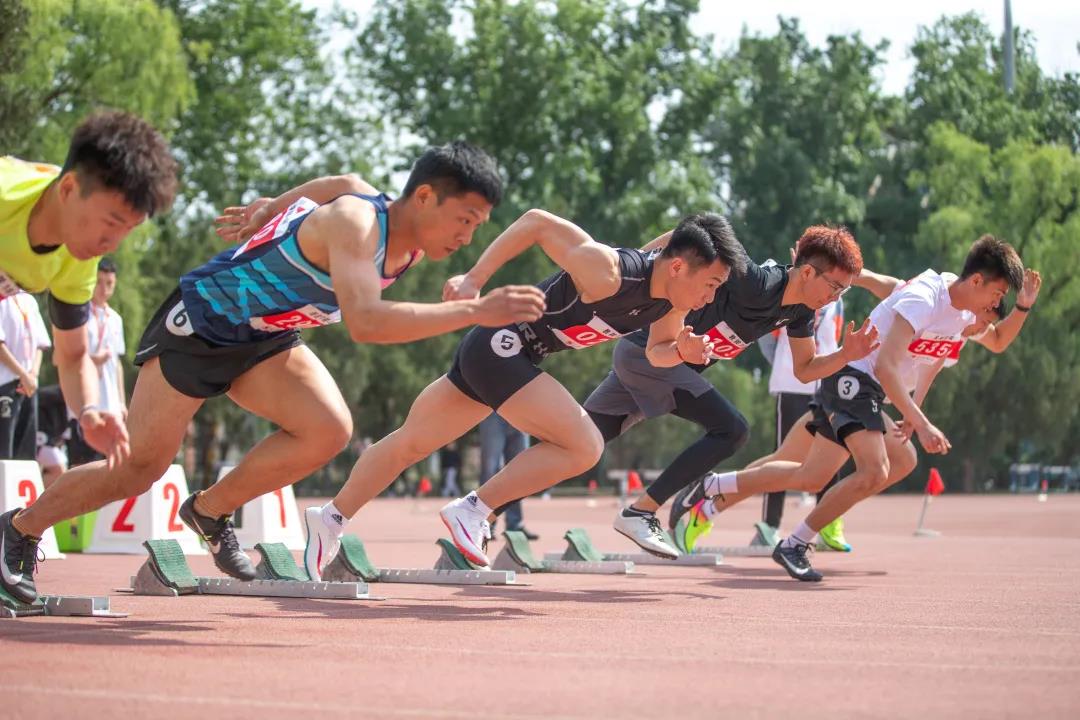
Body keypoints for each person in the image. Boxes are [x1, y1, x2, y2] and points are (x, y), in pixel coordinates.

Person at [0, 141, 546, 604]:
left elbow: (337, 179)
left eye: (478, 226)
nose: (467, 238)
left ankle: (209, 511)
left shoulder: (404, 242)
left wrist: (273, 210)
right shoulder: (359, 224)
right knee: (140, 468)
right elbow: (367, 323)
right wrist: (475, 312)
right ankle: (20, 528)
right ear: (424, 196)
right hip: (202, 326)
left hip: (264, 339)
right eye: (465, 220)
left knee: (328, 430)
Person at [303, 212, 743, 577]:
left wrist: (683, 351)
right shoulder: (607, 270)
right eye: (711, 283)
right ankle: (475, 509)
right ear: (679, 266)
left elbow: (658, 353)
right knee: (584, 445)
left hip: (505, 355)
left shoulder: (673, 304)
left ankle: (330, 518)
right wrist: (474, 279)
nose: (711, 297)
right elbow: (535, 223)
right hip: (502, 345)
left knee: (409, 443)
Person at [683, 236, 1027, 581]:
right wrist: (920, 423)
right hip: (854, 379)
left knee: (816, 475)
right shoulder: (925, 297)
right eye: (997, 296)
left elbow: (940, 361)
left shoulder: (965, 315)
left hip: (872, 393)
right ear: (977, 281)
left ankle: (717, 485)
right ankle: (797, 542)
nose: (995, 308)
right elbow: (886, 367)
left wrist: (1022, 307)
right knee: (874, 470)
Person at [585, 226, 877, 558]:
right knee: (732, 429)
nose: (837, 297)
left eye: (845, 291)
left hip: (660, 367)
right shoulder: (753, 281)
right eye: (835, 286)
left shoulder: (800, 312)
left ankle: (511, 506)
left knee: (578, 442)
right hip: (647, 358)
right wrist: (630, 273)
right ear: (807, 272)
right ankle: (640, 511)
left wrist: (844, 356)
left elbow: (805, 368)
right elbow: (700, 224)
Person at [0, 112, 176, 471]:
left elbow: (73, 355)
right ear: (67, 189)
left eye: (128, 229)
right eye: (111, 223)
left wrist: (89, 412)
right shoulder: (6, 196)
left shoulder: (78, 259)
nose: (112, 242)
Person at [756, 298, 849, 551]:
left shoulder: (838, 299)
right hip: (791, 383)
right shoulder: (791, 294)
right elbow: (767, 337)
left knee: (832, 456)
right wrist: (783, 364)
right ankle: (769, 526)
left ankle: (829, 527)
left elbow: (836, 338)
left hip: (827, 386)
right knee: (783, 456)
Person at [67, 258, 127, 465]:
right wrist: (93, 360)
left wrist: (121, 401)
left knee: (108, 463)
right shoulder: (79, 315)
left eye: (109, 284)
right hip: (85, 401)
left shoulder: (115, 319)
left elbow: (117, 362)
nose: (104, 289)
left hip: (109, 400)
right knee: (81, 461)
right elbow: (67, 356)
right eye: (99, 282)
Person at [0, 292, 51, 459]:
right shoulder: (2, 300)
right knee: (4, 450)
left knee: (25, 451)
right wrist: (23, 374)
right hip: (5, 383)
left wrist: (32, 374)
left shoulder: (28, 299)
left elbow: (40, 343)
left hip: (29, 385)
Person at [478, 412, 535, 539]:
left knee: (519, 470)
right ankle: (486, 523)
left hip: (521, 411)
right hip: (492, 411)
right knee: (490, 469)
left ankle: (515, 524)